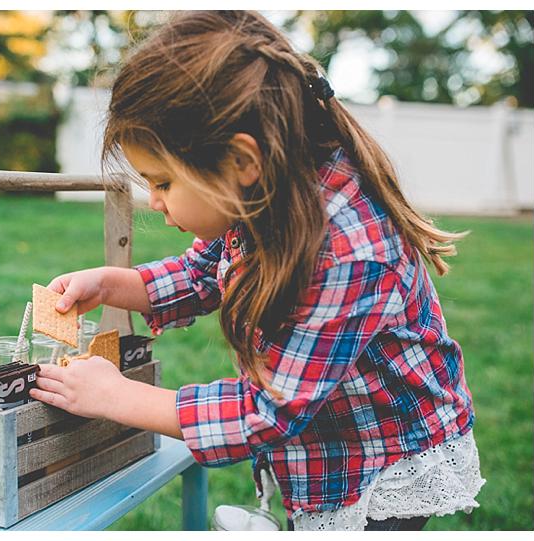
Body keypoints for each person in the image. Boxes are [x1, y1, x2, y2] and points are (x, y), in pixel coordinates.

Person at [29, 10, 485, 531]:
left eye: (162, 182)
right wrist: (113, 284)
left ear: (242, 160)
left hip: (380, 456)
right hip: (329, 426)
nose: (152, 201)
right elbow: (204, 273)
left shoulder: (346, 251)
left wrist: (116, 396)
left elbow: (267, 412)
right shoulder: (265, 191)